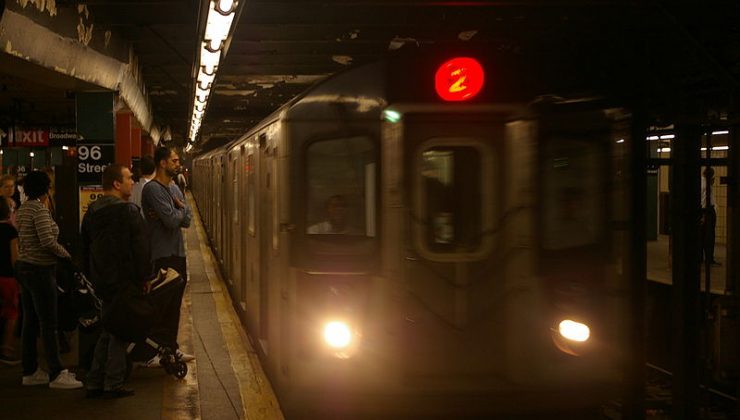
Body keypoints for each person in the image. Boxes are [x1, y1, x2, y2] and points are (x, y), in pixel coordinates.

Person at [81, 164, 151, 399]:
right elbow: (140, 248)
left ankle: (94, 380)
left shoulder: (91, 212)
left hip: (102, 280)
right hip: (124, 280)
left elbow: (85, 247)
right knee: (120, 330)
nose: (133, 182)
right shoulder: (128, 211)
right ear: (116, 184)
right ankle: (112, 382)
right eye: (129, 178)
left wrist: (92, 276)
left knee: (109, 328)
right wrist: (144, 277)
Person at [15, 171, 82, 389]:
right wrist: (66, 256)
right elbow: (47, 242)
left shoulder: (23, 209)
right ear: (45, 189)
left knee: (30, 322)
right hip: (40, 270)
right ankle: (56, 373)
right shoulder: (39, 210)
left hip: (25, 268)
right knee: (49, 323)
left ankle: (30, 371)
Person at [139, 146, 194, 366]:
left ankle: (171, 348)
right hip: (162, 255)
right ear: (162, 163)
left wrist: (176, 210)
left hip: (177, 253)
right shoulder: (153, 189)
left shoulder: (174, 188)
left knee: (174, 304)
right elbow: (173, 221)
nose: (177, 164)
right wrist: (178, 210)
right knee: (161, 305)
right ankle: (152, 352)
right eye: (174, 160)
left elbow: (187, 219)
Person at [0, 198, 20, 364]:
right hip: (7, 276)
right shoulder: (10, 231)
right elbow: (15, 257)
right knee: (12, 312)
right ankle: (6, 348)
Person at [701, 166, 720, 266]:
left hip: (704, 211)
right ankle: (709, 259)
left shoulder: (702, 182)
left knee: (701, 236)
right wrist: (704, 214)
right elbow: (704, 200)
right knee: (709, 236)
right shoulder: (706, 185)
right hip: (707, 211)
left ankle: (700, 257)